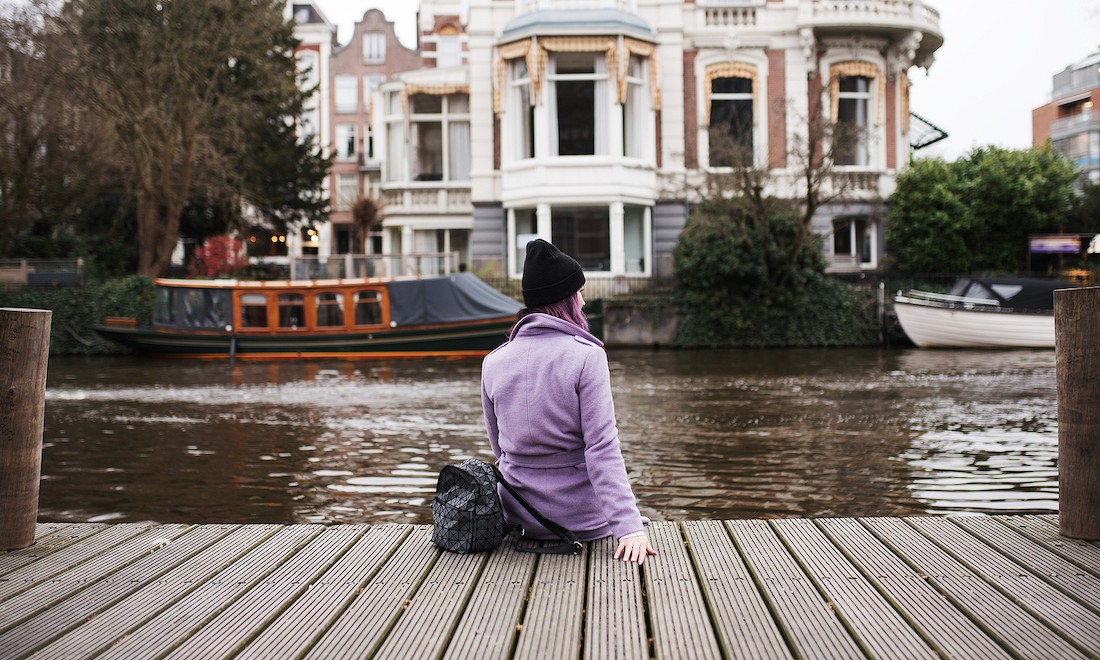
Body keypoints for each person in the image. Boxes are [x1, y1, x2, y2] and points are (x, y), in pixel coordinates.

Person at [480, 239, 656, 564]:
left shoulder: (494, 361)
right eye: (580, 293)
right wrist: (629, 527)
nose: (584, 300)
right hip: (582, 521)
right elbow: (602, 448)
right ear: (567, 300)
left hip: (520, 515)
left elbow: (499, 446)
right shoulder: (587, 356)